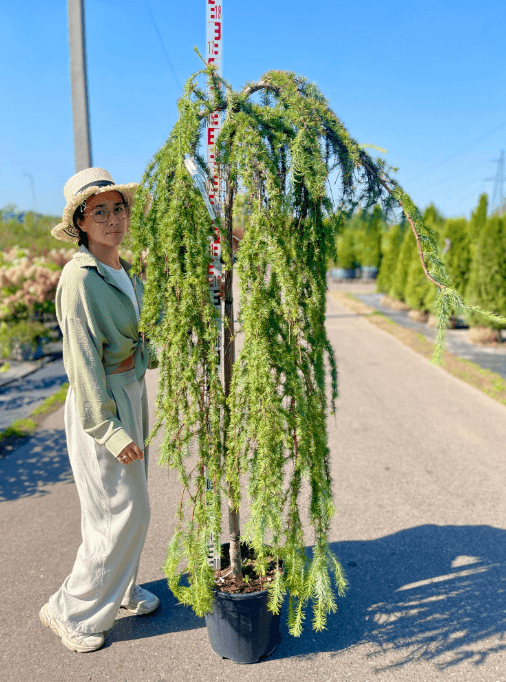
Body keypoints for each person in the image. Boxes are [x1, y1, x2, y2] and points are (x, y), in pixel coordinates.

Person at [39, 168, 160, 653]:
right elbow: (83, 364)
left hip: (131, 390)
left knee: (123, 505)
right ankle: (71, 611)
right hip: (103, 402)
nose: (113, 219)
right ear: (81, 223)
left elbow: (140, 331)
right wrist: (107, 429)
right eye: (100, 212)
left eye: (118, 208)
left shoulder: (120, 267)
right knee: (121, 511)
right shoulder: (78, 281)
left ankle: (121, 592)